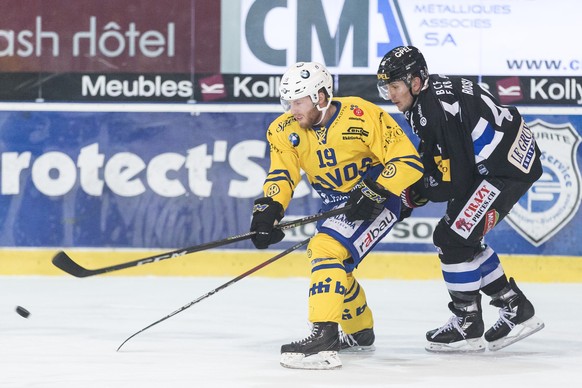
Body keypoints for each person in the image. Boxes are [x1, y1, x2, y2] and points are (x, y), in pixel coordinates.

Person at [249, 61, 423, 369]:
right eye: (288, 101)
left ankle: (324, 337)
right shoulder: (282, 130)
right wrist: (269, 211)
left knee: (324, 248)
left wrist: (374, 189)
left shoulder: (362, 114)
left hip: (379, 199)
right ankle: (359, 331)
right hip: (336, 205)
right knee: (335, 264)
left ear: (320, 96)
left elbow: (408, 161)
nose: (292, 109)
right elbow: (281, 174)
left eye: (299, 101)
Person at [376, 46, 545, 353]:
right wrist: (411, 190)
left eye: (395, 86)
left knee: (451, 237)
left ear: (415, 81)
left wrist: (413, 196)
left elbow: (454, 182)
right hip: (506, 160)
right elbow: (437, 156)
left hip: (503, 170)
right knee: (462, 236)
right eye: (386, 86)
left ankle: (468, 323)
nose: (390, 94)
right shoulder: (429, 93)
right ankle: (515, 306)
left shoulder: (432, 111)